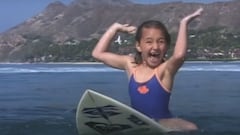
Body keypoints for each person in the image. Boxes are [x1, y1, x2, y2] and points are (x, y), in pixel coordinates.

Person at [92, 8, 203, 132]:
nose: (155, 47)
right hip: (138, 122)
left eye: (161, 42)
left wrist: (184, 23)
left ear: (166, 46)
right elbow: (98, 53)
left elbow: (179, 56)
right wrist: (115, 28)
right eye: (149, 42)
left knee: (192, 128)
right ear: (139, 46)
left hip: (162, 122)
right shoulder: (131, 65)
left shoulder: (164, 71)